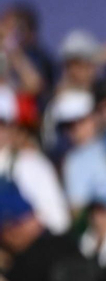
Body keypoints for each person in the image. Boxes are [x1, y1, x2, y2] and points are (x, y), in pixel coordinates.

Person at [0, 85, 70, 233]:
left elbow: (58, 220)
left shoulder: (31, 165)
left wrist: (23, 229)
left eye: (1, 125)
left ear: (12, 128)